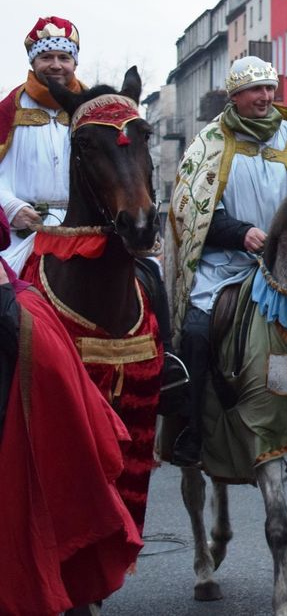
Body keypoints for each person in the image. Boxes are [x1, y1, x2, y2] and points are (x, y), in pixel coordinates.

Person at [167, 56, 287, 466]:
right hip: (225, 268)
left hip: (284, 264)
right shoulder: (209, 141)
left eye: (270, 88)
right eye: (256, 90)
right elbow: (190, 209)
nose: (266, 97)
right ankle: (191, 431)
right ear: (235, 96)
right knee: (195, 334)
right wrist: (239, 232)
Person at [0, 209, 143, 615]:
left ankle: (178, 386)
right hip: (23, 228)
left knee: (149, 286)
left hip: (58, 224)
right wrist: (15, 207)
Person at [0, 16, 85, 275]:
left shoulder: (92, 109)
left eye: (64, 57)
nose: (56, 65)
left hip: (84, 231)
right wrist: (11, 207)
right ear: (33, 61)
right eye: (46, 57)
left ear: (74, 62)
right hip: (22, 235)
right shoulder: (8, 110)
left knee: (147, 277)